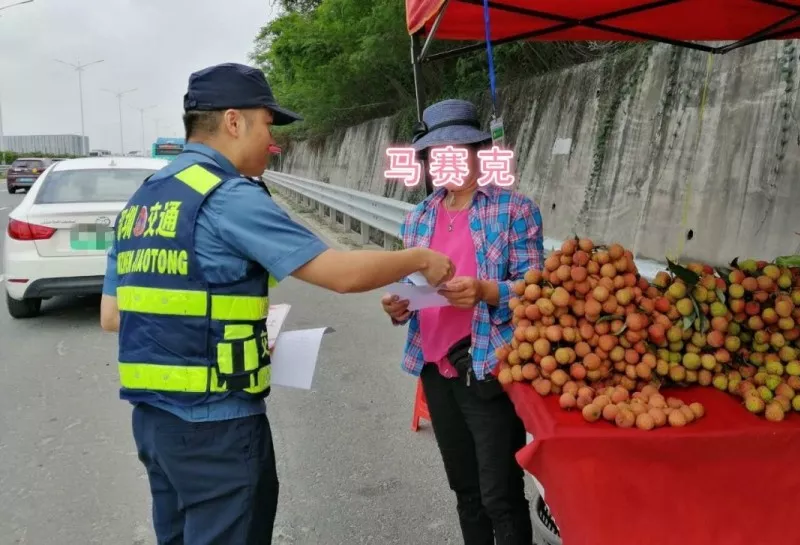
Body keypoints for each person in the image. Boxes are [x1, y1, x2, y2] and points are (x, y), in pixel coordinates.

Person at [99, 62, 454, 545]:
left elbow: (113, 316)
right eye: (268, 124)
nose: (273, 141)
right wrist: (420, 258)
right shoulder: (228, 197)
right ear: (233, 121)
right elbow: (341, 274)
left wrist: (220, 332)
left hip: (154, 426)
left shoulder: (143, 201)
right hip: (217, 429)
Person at [381, 99, 544, 545]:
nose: (444, 162)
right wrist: (398, 306)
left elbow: (538, 290)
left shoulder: (514, 210)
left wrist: (486, 291)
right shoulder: (418, 218)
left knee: (500, 494)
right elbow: (411, 286)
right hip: (436, 368)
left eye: (455, 150)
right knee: (465, 491)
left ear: (477, 152)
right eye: (435, 154)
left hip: (488, 367)